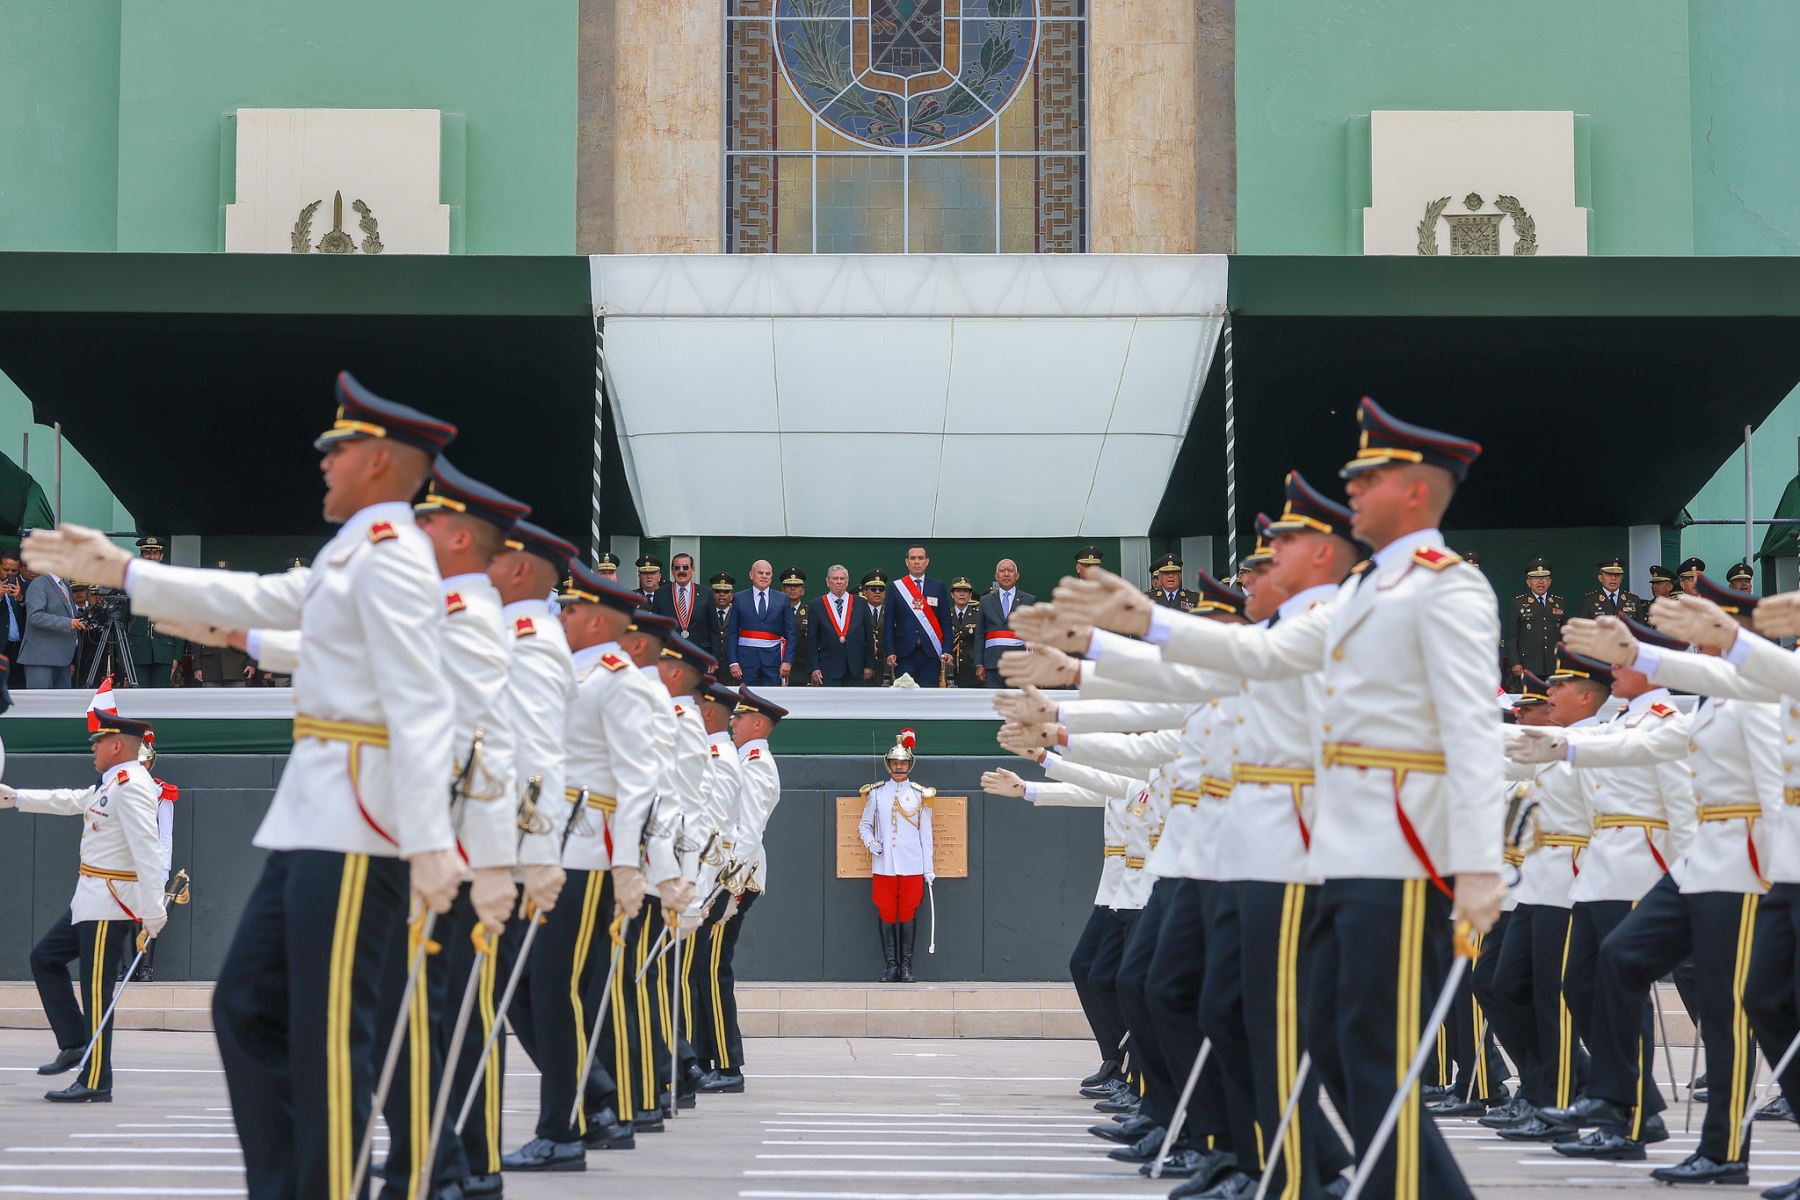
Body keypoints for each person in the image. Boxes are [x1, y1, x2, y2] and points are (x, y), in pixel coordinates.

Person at [24, 372, 466, 1199]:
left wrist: (433, 839)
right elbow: (288, 609)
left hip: (359, 828)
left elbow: (420, 695)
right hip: (314, 820)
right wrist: (140, 580)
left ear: (377, 462)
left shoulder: (394, 558)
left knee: (328, 1032)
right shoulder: (359, 550)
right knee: (247, 1010)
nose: (324, 468)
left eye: (336, 455)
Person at [1055, 396, 1503, 1200]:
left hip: (1399, 851)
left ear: (1414, 490)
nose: (1353, 492)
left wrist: (1477, 863)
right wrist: (1145, 624)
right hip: (1335, 852)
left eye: (1367, 479)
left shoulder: (1448, 590)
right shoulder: (1368, 592)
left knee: (1368, 1051)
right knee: (1331, 1041)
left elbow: (1471, 730)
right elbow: (1266, 655)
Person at [502, 563, 648, 1172]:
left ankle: (561, 1130)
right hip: (548, 844)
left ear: (594, 618)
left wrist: (627, 866)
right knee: (520, 985)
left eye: (568, 610)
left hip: (589, 851)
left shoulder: (620, 680)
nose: (558, 617)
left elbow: (640, 781)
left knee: (556, 987)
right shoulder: (571, 671)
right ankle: (593, 1090)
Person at [5, 712, 166, 1102]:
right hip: (90, 900)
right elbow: (77, 800)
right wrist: (17, 798)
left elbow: (148, 851)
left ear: (116, 746)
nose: (92, 748)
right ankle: (76, 1041)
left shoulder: (132, 786)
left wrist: (153, 910)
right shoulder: (114, 782)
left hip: (110, 906)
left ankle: (96, 1081)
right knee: (45, 958)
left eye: (98, 741)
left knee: (97, 993)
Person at [697, 687, 787, 1095]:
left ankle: (728, 1065)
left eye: (739, 718)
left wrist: (727, 893)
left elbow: (747, 835)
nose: (731, 723)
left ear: (758, 724)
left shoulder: (757, 765)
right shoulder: (746, 761)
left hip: (734, 883)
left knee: (715, 972)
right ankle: (703, 1058)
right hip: (728, 880)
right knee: (703, 971)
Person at [858, 730, 936, 983]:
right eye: (895, 763)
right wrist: (870, 842)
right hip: (884, 865)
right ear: (888, 765)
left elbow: (926, 835)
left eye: (903, 763)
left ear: (909, 765)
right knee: (887, 912)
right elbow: (864, 825)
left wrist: (928, 868)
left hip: (912, 863)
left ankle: (906, 966)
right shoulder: (877, 793)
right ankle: (891, 966)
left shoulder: (919, 794)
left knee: (908, 913)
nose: (899, 767)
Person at [884, 545, 951, 688]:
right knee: (905, 697)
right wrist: (890, 651)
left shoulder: (938, 586)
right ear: (906, 562)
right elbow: (888, 623)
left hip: (932, 653)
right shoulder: (896, 587)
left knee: (929, 697)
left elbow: (946, 621)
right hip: (904, 653)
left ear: (927, 561)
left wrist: (947, 649)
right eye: (913, 558)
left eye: (920, 558)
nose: (916, 562)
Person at [726, 560, 794, 687]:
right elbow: (732, 633)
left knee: (772, 701)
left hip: (773, 662)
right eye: (760, 573)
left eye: (768, 574)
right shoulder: (739, 598)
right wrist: (733, 662)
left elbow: (791, 633)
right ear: (751, 575)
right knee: (748, 700)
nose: (764, 576)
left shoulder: (782, 598)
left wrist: (787, 661)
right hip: (746, 662)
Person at [185, 563, 253, 686]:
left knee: (237, 704)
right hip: (210, 667)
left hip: (237, 665)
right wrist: (197, 667)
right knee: (210, 705)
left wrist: (251, 663)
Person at [809, 564, 874, 686]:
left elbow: (869, 637)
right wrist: (814, 667)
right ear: (827, 582)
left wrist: (869, 665)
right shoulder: (816, 605)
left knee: (855, 704)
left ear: (847, 582)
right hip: (828, 668)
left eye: (842, 578)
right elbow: (812, 640)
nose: (839, 582)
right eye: (835, 578)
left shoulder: (861, 603)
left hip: (856, 668)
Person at [19, 560, 78, 688]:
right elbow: (35, 616)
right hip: (41, 657)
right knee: (40, 704)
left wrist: (80, 623)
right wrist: (68, 623)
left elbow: (69, 614)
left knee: (61, 705)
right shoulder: (38, 584)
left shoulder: (64, 585)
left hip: (63, 657)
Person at [976, 559, 1032, 688]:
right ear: (996, 576)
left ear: (1017, 576)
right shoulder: (986, 600)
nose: (1006, 574)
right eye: (1002, 571)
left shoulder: (1029, 600)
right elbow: (979, 635)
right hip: (992, 664)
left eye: (1010, 571)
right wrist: (979, 664)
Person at [1506, 557, 1562, 682]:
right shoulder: (1518, 603)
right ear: (1528, 582)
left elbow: (1564, 636)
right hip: (1528, 664)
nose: (1540, 582)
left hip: (1554, 665)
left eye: (1544, 578)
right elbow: (1512, 636)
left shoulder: (1559, 603)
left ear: (1550, 581)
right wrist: (1515, 662)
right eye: (1536, 578)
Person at [653, 551, 704, 643]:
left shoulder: (706, 593)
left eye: (685, 567)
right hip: (669, 650)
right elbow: (655, 626)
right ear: (672, 571)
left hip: (698, 651)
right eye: (677, 567)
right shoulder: (660, 594)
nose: (681, 571)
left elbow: (714, 630)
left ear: (693, 570)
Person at [1578, 555, 1645, 621]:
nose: (1613, 578)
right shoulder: (1589, 601)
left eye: (1617, 575)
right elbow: (1582, 629)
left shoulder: (1633, 599)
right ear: (1600, 578)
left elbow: (1641, 629)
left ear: (1621, 578)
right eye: (1609, 574)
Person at [946, 578, 982, 687]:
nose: (962, 594)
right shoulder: (946, 614)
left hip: (972, 668)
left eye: (965, 591)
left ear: (970, 595)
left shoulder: (978, 615)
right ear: (952, 594)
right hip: (950, 667)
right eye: (958, 591)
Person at [781, 567, 813, 686]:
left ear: (803, 590)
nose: (793, 588)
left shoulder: (811, 613)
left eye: (797, 585)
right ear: (783, 590)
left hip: (802, 669)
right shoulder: (774, 611)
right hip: (778, 667)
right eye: (789, 585)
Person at [861, 571, 892, 686]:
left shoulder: (891, 612)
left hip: (886, 668)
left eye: (881, 589)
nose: (877, 592)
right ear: (865, 592)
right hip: (863, 668)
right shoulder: (858, 612)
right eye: (873, 589)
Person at [0, 549, 25, 686]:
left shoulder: (23, 586)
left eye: (14, 571)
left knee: (18, 689)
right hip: (2, 648)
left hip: (19, 649)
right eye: (6, 570)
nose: (10, 574)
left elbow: (30, 617)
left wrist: (20, 598)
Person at [706, 572, 735, 667]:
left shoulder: (737, 614)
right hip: (709, 663)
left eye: (726, 592)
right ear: (712, 593)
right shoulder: (705, 613)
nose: (721, 594)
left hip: (731, 665)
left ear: (732, 595)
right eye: (717, 591)